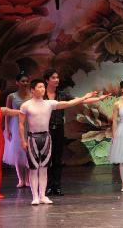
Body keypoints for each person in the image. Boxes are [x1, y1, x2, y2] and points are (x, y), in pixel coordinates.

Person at [19, 79, 105, 205]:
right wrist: (23, 140)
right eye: (39, 87)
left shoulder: (49, 103)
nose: (42, 89)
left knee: (44, 168)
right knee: (34, 168)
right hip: (33, 138)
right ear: (32, 89)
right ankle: (35, 196)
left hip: (46, 138)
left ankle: (42, 195)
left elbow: (69, 103)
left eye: (43, 87)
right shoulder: (26, 105)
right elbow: (21, 124)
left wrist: (84, 97)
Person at [43, 69, 71, 197]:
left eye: (57, 77)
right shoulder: (41, 95)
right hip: (45, 129)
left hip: (59, 128)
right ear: (47, 80)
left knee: (57, 158)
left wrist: (91, 98)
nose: (57, 80)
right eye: (53, 77)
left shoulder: (62, 95)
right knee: (47, 159)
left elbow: (76, 101)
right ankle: (48, 186)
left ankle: (57, 186)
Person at [3, 71, 31, 188]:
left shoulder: (32, 95)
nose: (25, 83)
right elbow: (7, 113)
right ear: (17, 83)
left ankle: (28, 180)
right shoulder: (11, 96)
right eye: (22, 81)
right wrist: (7, 128)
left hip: (29, 125)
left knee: (29, 153)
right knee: (18, 153)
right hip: (16, 126)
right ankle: (21, 180)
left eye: (26, 81)